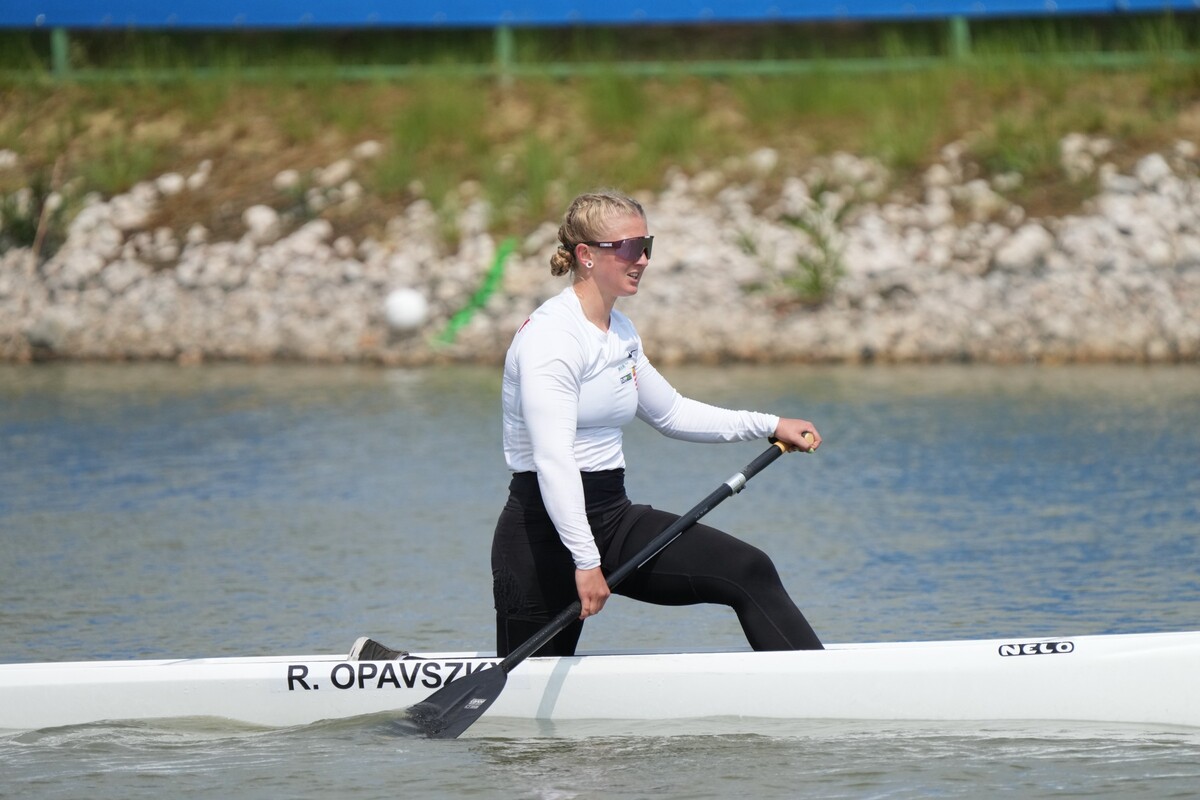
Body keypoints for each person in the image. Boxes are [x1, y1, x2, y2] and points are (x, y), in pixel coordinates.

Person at [492, 189, 824, 658]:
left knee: (749, 570)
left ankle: (816, 694)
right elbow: (552, 459)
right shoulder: (552, 338)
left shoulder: (620, 332)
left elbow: (671, 412)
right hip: (543, 533)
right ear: (585, 256)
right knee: (532, 686)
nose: (642, 259)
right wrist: (586, 562)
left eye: (646, 245)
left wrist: (770, 423)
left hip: (613, 518)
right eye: (628, 248)